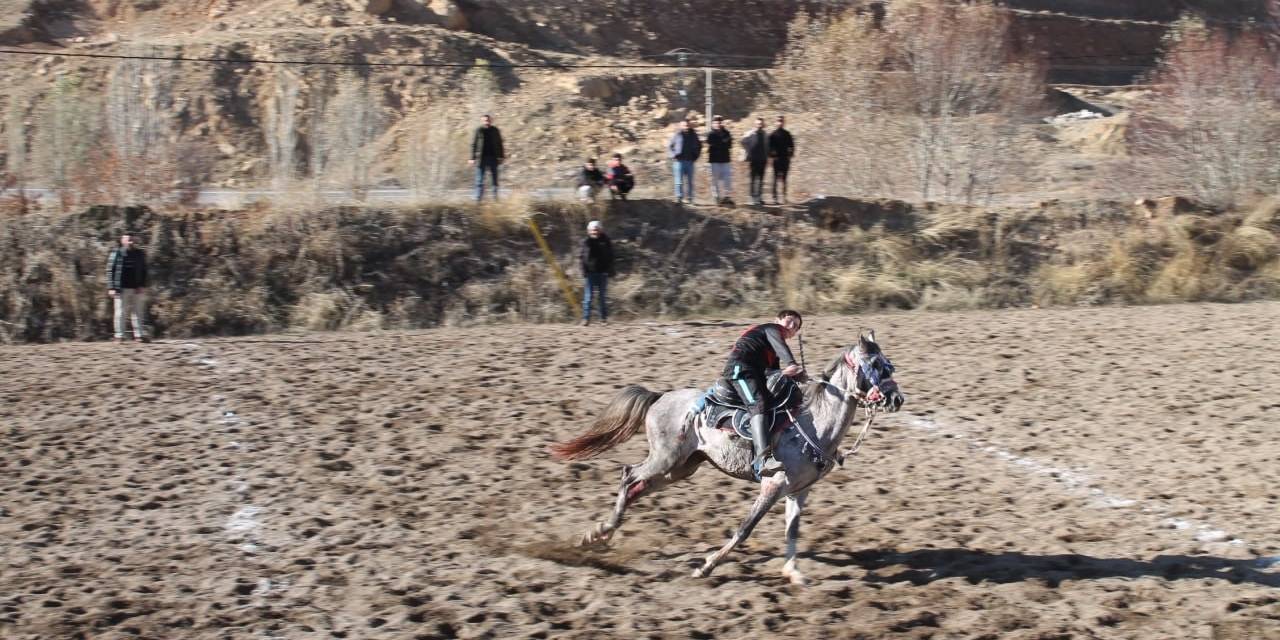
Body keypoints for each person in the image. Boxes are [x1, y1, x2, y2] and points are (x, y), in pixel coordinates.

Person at [721, 310, 806, 478]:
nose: (791, 326)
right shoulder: (771, 329)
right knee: (757, 404)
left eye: (795, 326)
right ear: (777, 320)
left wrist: (795, 375)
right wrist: (791, 363)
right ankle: (763, 460)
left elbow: (773, 372)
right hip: (740, 369)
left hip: (754, 372)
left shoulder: (771, 349)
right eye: (789, 321)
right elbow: (781, 347)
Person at [106, 233, 149, 344]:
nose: (131, 242)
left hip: (136, 288)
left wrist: (142, 285)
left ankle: (139, 336)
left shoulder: (139, 254)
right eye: (128, 239)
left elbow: (144, 270)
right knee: (120, 313)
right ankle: (119, 336)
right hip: (121, 288)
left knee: (138, 312)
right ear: (122, 241)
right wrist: (111, 287)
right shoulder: (116, 253)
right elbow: (110, 271)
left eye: (132, 240)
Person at [580, 220, 615, 326]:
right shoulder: (586, 242)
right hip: (590, 274)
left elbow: (611, 256)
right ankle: (585, 319)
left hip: (602, 273)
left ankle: (603, 319)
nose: (594, 232)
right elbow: (582, 258)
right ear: (588, 231)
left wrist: (610, 270)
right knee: (588, 298)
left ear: (600, 230)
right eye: (592, 230)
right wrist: (583, 271)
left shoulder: (606, 240)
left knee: (602, 298)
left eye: (596, 230)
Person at [469, 114, 505, 202]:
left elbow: (500, 144)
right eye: (485, 120)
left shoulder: (495, 130)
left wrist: (501, 156)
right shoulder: (479, 130)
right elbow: (474, 144)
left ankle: (495, 199)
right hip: (481, 159)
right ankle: (478, 201)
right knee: (479, 181)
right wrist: (472, 158)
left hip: (493, 158)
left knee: (494, 180)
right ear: (482, 121)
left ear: (491, 121)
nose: (487, 122)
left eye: (488, 120)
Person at [667, 119, 701, 204]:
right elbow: (670, 146)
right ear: (680, 126)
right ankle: (679, 197)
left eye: (687, 125)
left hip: (690, 161)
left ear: (689, 125)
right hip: (679, 161)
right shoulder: (677, 135)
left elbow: (699, 146)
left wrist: (696, 156)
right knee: (679, 181)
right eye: (684, 125)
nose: (686, 127)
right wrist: (673, 155)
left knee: (690, 182)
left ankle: (690, 198)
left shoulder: (694, 135)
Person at [741, 117, 770, 205]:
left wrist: (768, 157)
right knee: (753, 179)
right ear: (755, 124)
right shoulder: (750, 133)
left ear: (763, 124)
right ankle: (751, 198)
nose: (759, 125)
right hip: (754, 160)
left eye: (761, 124)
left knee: (761, 179)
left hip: (763, 159)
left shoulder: (765, 134)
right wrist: (749, 152)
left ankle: (759, 197)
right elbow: (743, 141)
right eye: (758, 124)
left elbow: (767, 146)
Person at [705, 115, 733, 205]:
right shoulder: (710, 134)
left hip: (725, 159)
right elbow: (712, 144)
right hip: (714, 159)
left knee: (727, 178)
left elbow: (729, 145)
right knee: (714, 179)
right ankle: (716, 196)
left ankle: (727, 196)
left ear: (721, 123)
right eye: (715, 122)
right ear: (713, 124)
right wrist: (722, 143)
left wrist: (720, 144)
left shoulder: (727, 133)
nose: (717, 124)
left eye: (719, 122)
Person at [769, 115, 795, 205]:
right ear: (776, 122)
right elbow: (769, 147)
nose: (780, 122)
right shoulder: (772, 134)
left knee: (784, 179)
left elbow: (792, 146)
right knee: (775, 179)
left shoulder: (787, 134)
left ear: (784, 122)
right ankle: (774, 198)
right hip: (777, 160)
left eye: (781, 121)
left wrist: (790, 155)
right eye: (778, 121)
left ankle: (784, 197)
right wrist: (772, 156)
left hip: (785, 159)